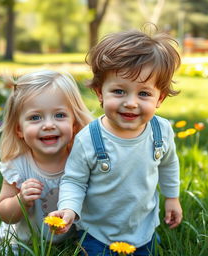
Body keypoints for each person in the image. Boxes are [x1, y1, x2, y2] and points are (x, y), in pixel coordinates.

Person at [49, 29, 183, 256]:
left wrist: (172, 198)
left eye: (144, 94)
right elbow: (74, 180)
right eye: (119, 91)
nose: (131, 103)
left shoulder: (161, 131)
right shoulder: (89, 139)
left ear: (159, 98)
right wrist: (69, 208)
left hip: (144, 229)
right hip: (97, 233)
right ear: (100, 93)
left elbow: (168, 164)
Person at [0, 70, 92, 255]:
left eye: (59, 115)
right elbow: (5, 215)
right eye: (35, 117)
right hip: (25, 243)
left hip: (72, 242)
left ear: (74, 123)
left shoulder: (82, 160)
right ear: (19, 129)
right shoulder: (18, 166)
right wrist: (20, 200)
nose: (48, 125)